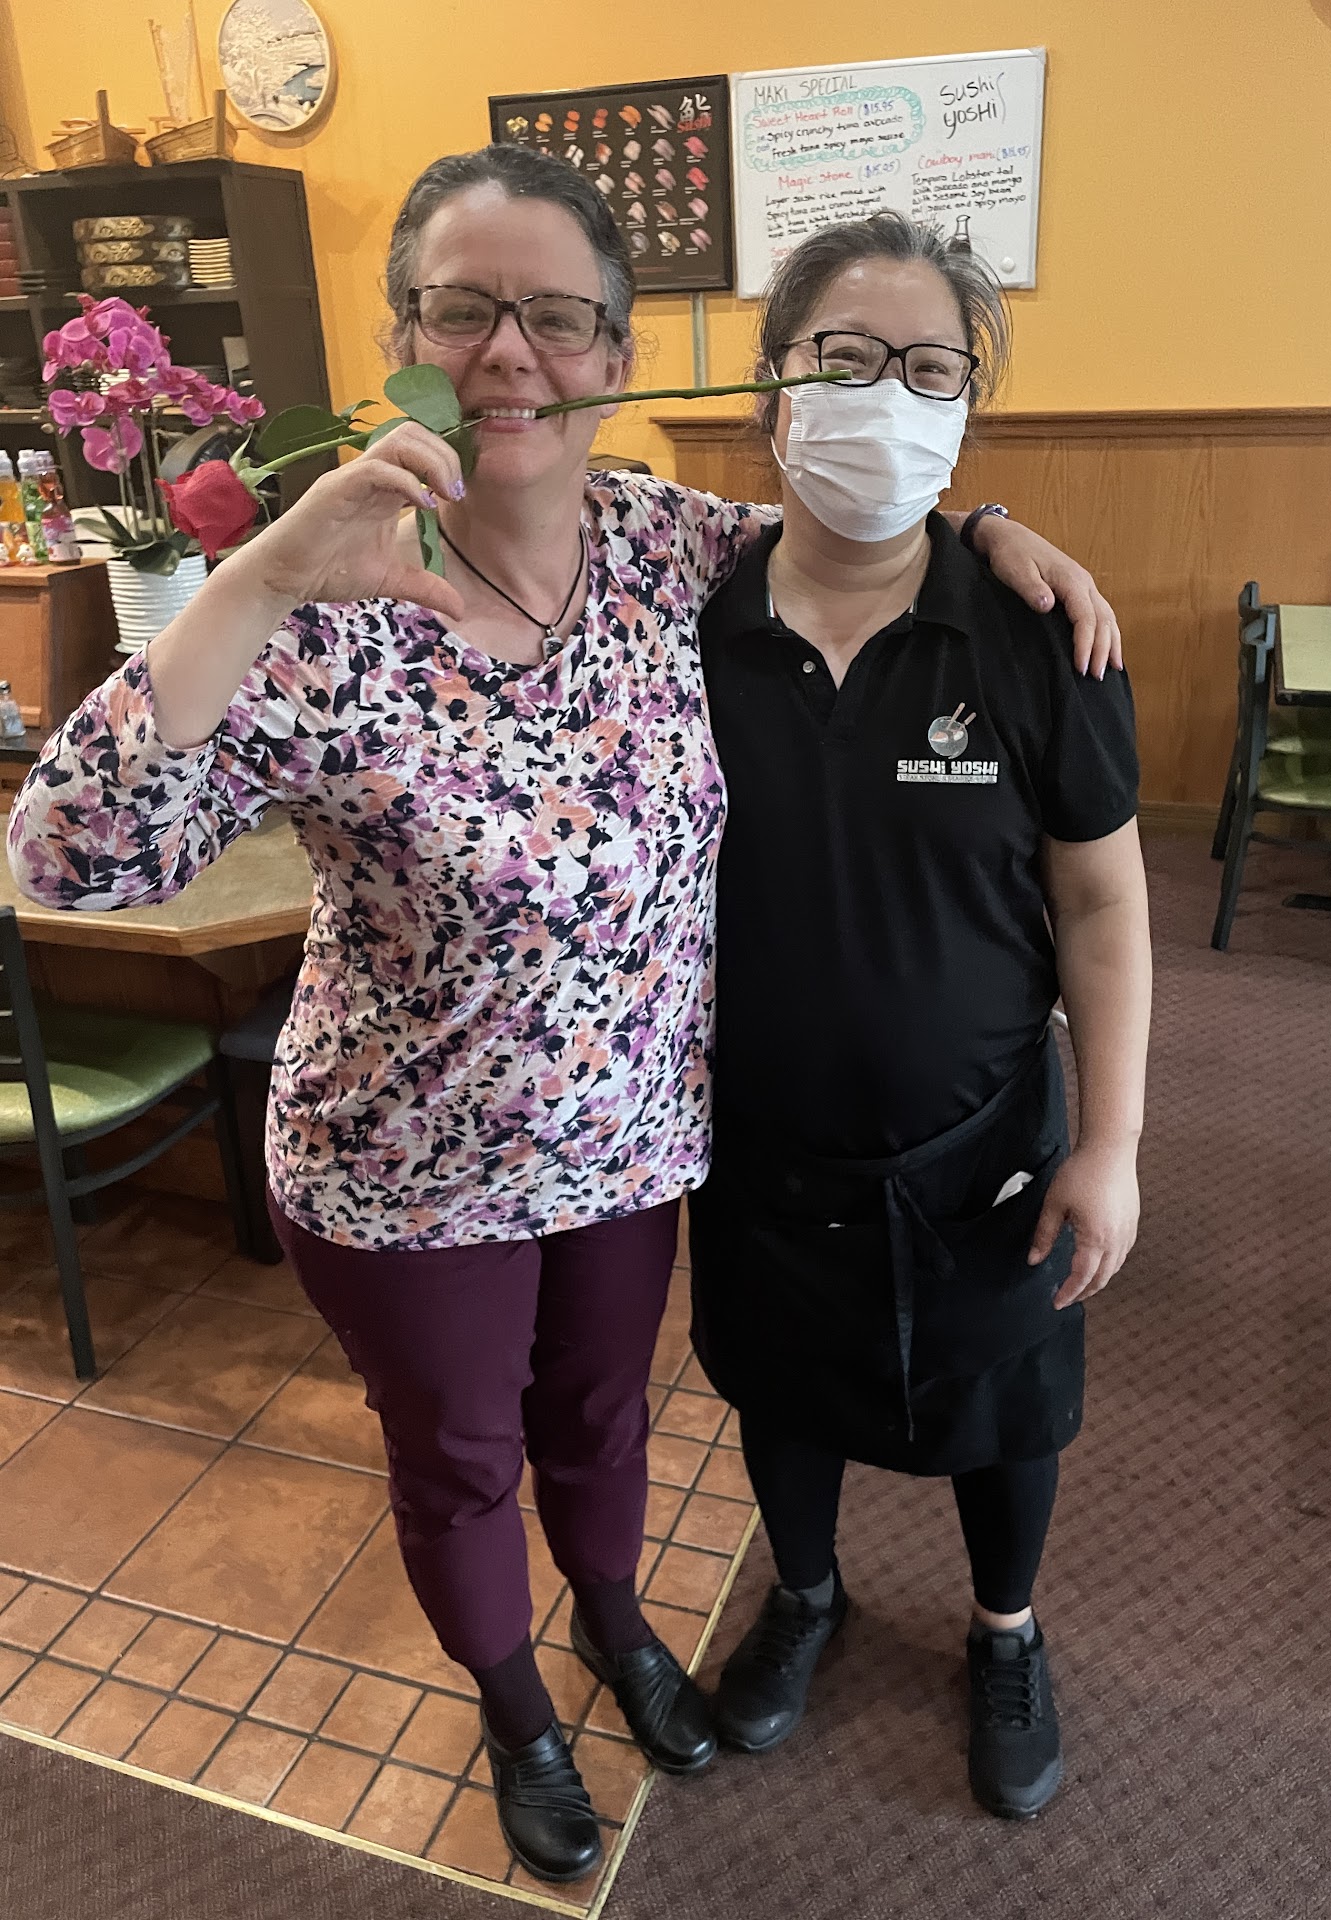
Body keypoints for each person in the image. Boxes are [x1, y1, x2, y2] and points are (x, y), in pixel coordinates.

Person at [6, 149, 1119, 1882]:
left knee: (604, 1425)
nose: (509, 351)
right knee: (460, 1463)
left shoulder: (671, 549)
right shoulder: (329, 606)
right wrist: (262, 574)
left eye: (555, 316)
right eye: (463, 309)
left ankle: (615, 1623)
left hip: (630, 1146)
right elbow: (71, 853)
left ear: (617, 355)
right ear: (403, 340)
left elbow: (862, 524)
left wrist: (992, 534)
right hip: (406, 1169)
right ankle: (516, 1710)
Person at [689, 211, 1152, 1822]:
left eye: (930, 367)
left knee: (1006, 1401)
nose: (885, 394)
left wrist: (1114, 1143)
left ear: (966, 408)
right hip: (757, 1137)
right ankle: (806, 1596)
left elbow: (1103, 905)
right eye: (844, 357)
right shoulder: (691, 629)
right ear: (775, 389)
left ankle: (1006, 1632)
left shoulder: (1038, 635)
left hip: (984, 1141)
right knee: (780, 1386)